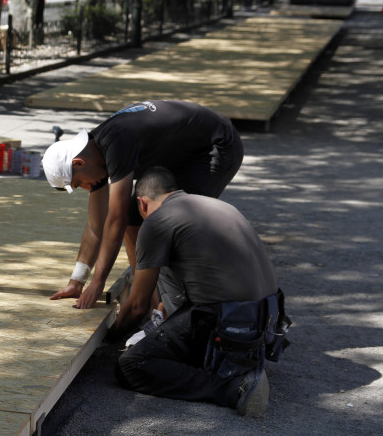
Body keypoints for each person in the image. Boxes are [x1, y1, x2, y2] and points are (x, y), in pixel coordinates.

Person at [107, 167, 289, 416]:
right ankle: (234, 362)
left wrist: (109, 335)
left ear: (142, 203)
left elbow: (138, 306)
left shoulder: (157, 222)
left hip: (229, 323)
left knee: (132, 364)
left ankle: (233, 386)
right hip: (267, 322)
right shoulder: (218, 206)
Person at [41, 100, 243, 309]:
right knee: (134, 215)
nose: (84, 188)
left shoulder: (116, 143)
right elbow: (95, 226)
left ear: (78, 163)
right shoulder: (94, 155)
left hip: (216, 145)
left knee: (172, 223)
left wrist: (98, 283)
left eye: (78, 183)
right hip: (184, 150)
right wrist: (77, 281)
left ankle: (174, 310)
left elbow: (115, 221)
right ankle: (149, 304)